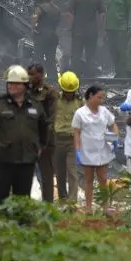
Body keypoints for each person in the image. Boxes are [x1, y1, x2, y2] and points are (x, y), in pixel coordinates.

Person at [0, 65, 50, 210]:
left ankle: (21, 229)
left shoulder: (35, 106)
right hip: (2, 160)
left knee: (22, 202)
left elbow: (44, 126)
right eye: (10, 83)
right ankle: (0, 230)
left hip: (26, 161)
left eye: (16, 83)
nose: (12, 86)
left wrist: (40, 146)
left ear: (25, 85)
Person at [72, 85, 120, 212]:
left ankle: (105, 207)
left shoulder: (104, 111)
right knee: (88, 180)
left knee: (103, 179)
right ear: (90, 96)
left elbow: (113, 124)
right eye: (99, 97)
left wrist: (115, 138)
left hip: (102, 149)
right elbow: (76, 132)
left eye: (103, 97)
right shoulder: (80, 113)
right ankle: (88, 207)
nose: (101, 100)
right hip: (87, 150)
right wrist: (77, 150)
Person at [27, 64, 58, 203]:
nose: (30, 77)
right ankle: (24, 204)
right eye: (28, 74)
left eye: (33, 74)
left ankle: (48, 205)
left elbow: (52, 118)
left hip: (44, 141)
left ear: (41, 74)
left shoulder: (49, 92)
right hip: (28, 140)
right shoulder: (26, 92)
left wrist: (43, 139)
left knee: (46, 174)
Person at [66, 0, 105, 75]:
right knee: (90, 56)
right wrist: (99, 28)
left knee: (76, 55)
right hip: (92, 32)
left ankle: (75, 77)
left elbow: (69, 14)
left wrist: (69, 27)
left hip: (78, 31)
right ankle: (90, 77)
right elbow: (102, 14)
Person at [53, 71, 82, 201]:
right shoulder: (55, 100)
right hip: (57, 140)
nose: (69, 94)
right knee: (60, 173)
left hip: (72, 140)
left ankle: (72, 201)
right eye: (67, 91)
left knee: (72, 171)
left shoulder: (80, 102)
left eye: (72, 91)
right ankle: (62, 198)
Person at [105, 0, 131, 78]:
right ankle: (118, 73)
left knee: (122, 52)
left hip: (121, 29)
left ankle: (123, 75)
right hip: (111, 29)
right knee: (113, 52)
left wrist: (129, 27)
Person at [31, 0, 61, 82]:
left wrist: (34, 30)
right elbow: (58, 23)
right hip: (53, 36)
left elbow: (34, 21)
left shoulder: (39, 8)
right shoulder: (57, 9)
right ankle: (53, 81)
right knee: (51, 60)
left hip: (42, 36)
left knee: (38, 58)